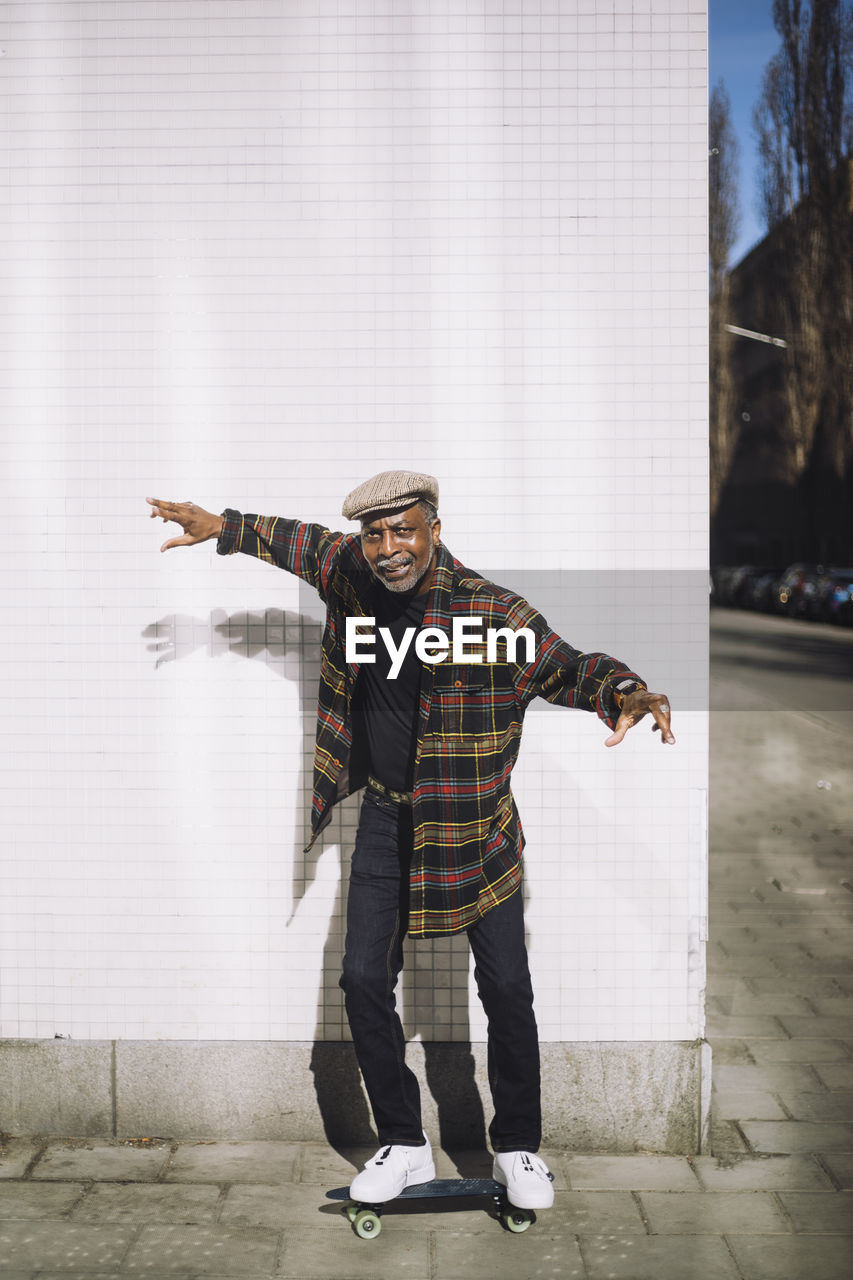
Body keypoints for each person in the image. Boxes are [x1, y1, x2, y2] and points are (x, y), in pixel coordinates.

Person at [146, 471, 674, 1211]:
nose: (388, 548)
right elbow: (295, 541)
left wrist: (624, 693)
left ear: (433, 527)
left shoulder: (492, 612)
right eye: (375, 533)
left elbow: (568, 667)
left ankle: (519, 1147)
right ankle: (402, 1143)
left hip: (477, 827)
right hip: (388, 820)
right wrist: (222, 526)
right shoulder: (353, 577)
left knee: (508, 990)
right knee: (362, 980)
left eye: (404, 530)